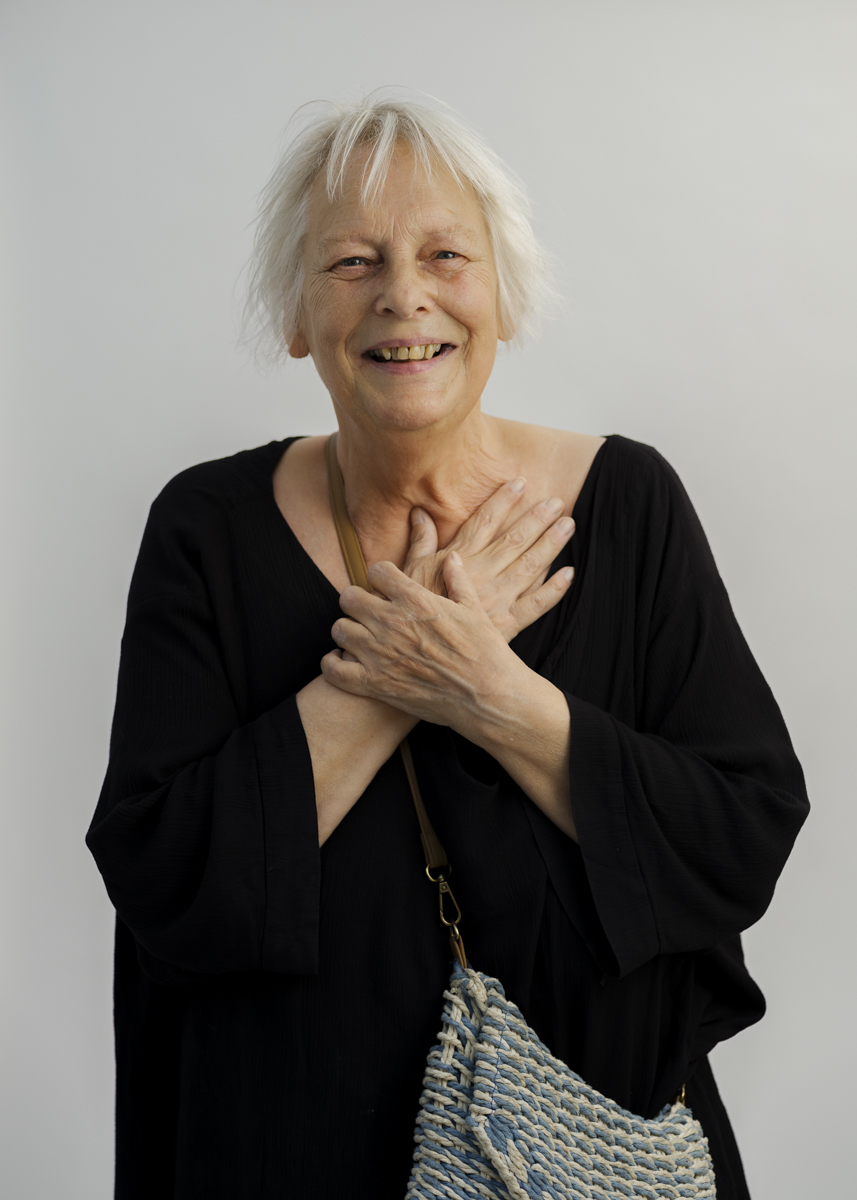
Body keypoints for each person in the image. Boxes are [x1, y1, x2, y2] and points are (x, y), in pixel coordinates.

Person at [87, 95, 809, 1200]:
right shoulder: (207, 528)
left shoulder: (627, 502)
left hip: (584, 1153)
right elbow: (161, 874)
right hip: (283, 1155)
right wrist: (392, 677)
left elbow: (738, 833)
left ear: (501, 296)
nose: (402, 295)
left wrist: (486, 690)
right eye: (351, 261)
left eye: (444, 255)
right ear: (296, 316)